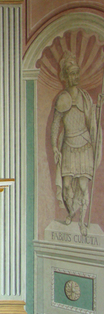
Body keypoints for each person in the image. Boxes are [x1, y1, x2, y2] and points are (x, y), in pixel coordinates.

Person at [51, 51, 102, 236]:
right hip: (68, 147)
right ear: (65, 76)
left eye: (76, 73)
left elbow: (92, 123)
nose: (75, 77)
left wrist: (97, 110)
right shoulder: (62, 98)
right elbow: (55, 124)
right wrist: (54, 146)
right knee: (66, 186)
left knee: (82, 186)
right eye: (71, 74)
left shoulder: (85, 98)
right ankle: (71, 213)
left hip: (85, 146)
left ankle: (81, 222)